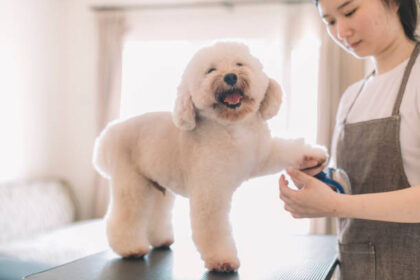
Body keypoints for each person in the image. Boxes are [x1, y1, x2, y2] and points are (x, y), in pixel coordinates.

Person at [278, 0, 420, 279]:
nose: (341, 31)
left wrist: (333, 205)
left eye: (350, 11)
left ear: (393, 3)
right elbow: (355, 185)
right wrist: (323, 179)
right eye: (329, 22)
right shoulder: (352, 97)